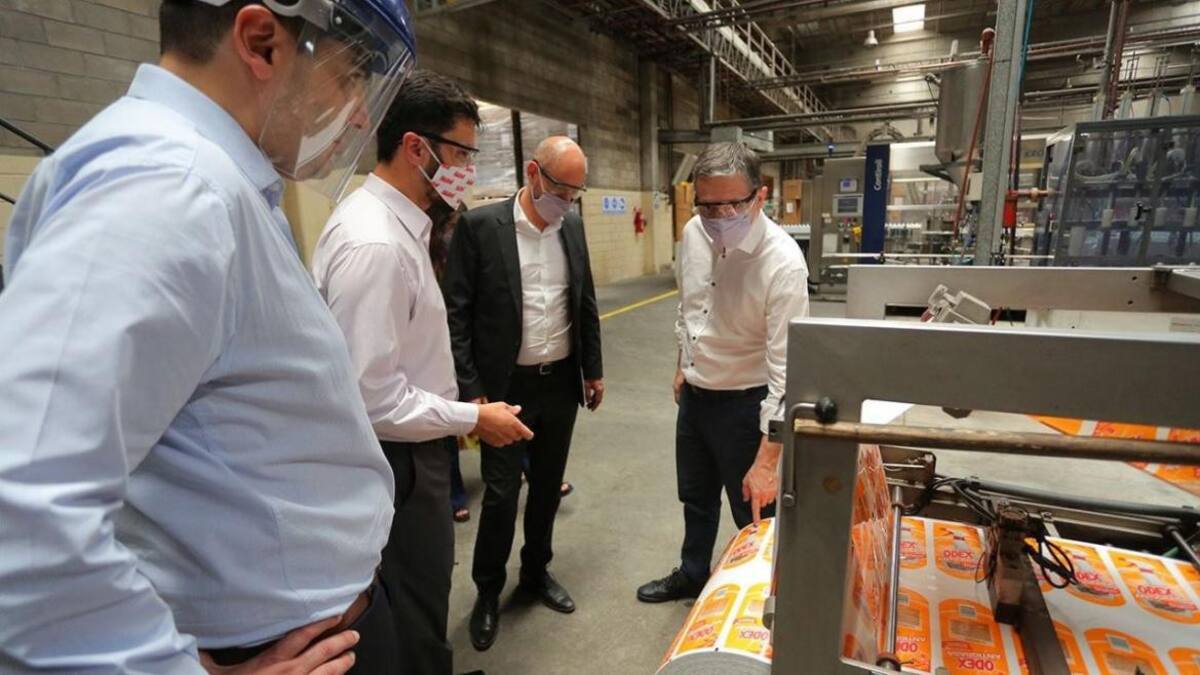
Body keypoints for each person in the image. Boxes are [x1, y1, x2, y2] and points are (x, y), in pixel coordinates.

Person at [0, 0, 418, 672]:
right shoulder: (171, 188)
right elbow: (22, 509)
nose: (361, 116)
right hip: (284, 644)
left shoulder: (213, 181)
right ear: (261, 41)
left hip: (312, 627)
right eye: (350, 78)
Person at [311, 70, 532, 675]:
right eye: (461, 154)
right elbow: (371, 399)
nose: (468, 171)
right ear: (416, 147)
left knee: (425, 591)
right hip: (399, 461)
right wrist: (471, 418)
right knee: (412, 599)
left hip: (415, 450)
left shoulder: (400, 228)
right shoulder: (376, 245)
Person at [444, 136, 604, 652]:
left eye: (576, 193)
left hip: (558, 382)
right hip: (505, 389)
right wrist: (472, 392)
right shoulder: (480, 228)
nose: (568, 202)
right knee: (501, 494)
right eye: (561, 189)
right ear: (533, 173)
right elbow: (456, 314)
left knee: (548, 487)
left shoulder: (572, 227)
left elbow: (584, 300)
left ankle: (536, 573)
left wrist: (593, 370)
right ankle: (488, 591)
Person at [636, 142, 810, 604]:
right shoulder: (694, 233)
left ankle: (766, 596)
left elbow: (789, 372)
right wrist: (682, 364)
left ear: (761, 194)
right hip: (697, 397)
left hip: (746, 405)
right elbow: (689, 307)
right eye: (708, 205)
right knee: (695, 497)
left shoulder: (783, 263)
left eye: (733, 204)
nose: (720, 216)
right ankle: (694, 573)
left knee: (754, 508)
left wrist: (767, 460)